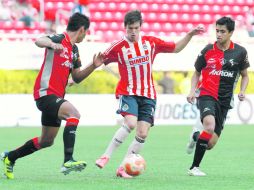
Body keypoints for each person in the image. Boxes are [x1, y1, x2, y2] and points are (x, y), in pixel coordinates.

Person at [95, 10, 204, 178]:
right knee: (130, 123)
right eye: (130, 28)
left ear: (141, 27)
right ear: (125, 27)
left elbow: (175, 48)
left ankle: (123, 168)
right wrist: (77, 77)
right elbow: (99, 61)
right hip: (129, 91)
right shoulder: (118, 47)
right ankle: (106, 156)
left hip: (148, 94)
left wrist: (190, 34)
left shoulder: (150, 43)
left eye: (136, 28)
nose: (133, 32)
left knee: (143, 133)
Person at [1, 12, 104, 179]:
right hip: (45, 94)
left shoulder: (74, 50)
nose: (85, 36)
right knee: (74, 114)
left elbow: (76, 77)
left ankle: (9, 157)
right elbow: (39, 40)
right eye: (86, 33)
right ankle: (68, 160)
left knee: (46, 141)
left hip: (55, 98)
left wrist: (93, 65)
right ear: (82, 29)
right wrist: (50, 43)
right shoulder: (58, 38)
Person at [186, 16, 249, 176]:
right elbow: (196, 73)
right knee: (209, 125)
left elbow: (245, 75)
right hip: (207, 94)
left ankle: (195, 136)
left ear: (231, 33)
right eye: (217, 31)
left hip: (225, 100)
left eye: (222, 31)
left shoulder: (240, 52)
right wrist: (192, 90)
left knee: (210, 143)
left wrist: (242, 90)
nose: (219, 34)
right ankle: (194, 168)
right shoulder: (207, 50)